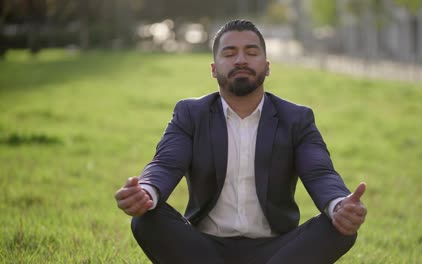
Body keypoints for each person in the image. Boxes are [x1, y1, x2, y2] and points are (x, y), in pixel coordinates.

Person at [114, 19, 367, 264]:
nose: (241, 59)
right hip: (204, 249)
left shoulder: (296, 119)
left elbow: (319, 172)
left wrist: (339, 205)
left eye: (251, 52)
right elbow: (166, 163)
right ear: (214, 69)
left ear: (267, 66)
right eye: (229, 53)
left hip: (277, 251)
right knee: (146, 219)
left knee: (339, 227)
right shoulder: (191, 114)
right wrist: (145, 192)